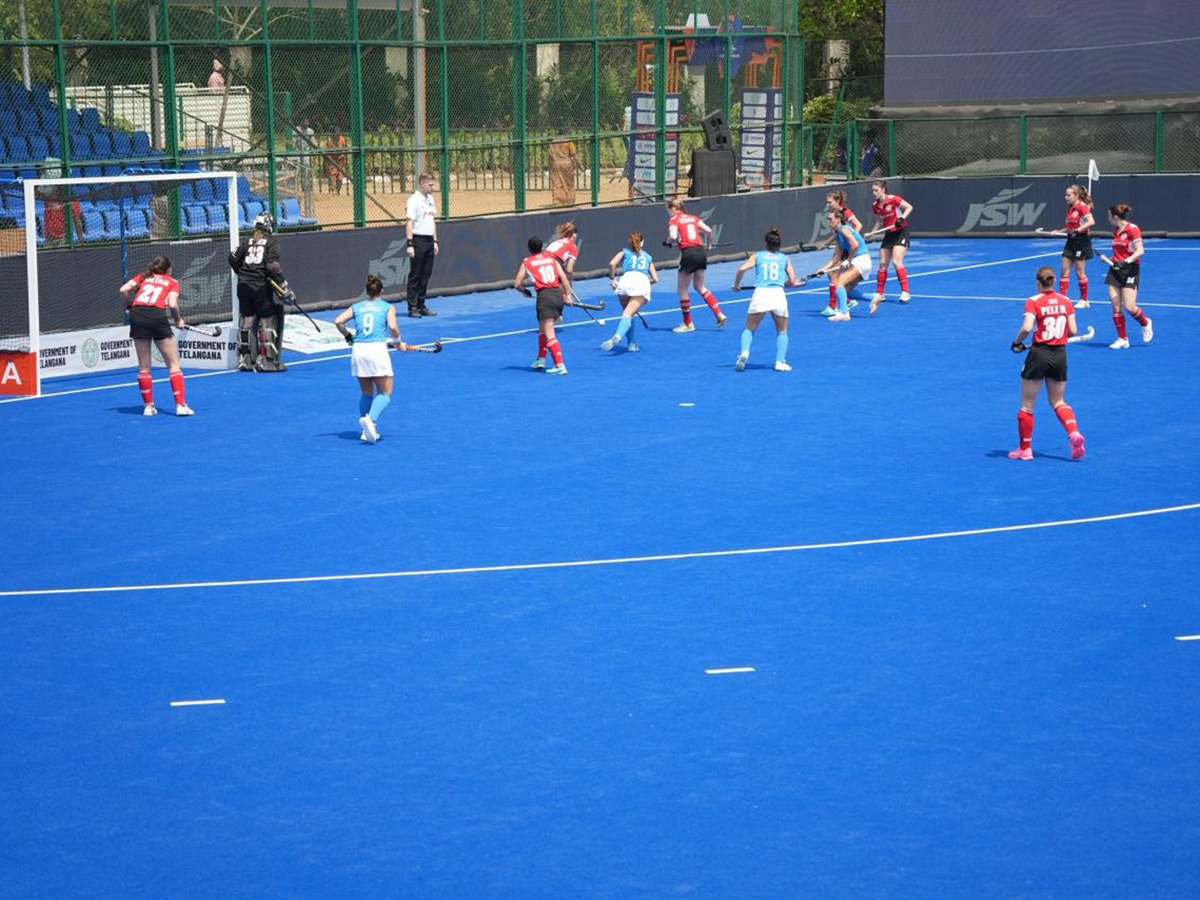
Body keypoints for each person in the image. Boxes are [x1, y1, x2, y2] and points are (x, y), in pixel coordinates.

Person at [1008, 266, 1086, 461]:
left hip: (1039, 354)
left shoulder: (1033, 301)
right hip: (1060, 354)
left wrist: (1017, 342)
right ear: (1053, 281)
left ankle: (1025, 449)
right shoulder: (1066, 301)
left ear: (1038, 282)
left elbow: (1027, 327)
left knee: (1027, 405)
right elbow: (1073, 330)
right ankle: (1074, 433)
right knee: (1058, 401)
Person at [118, 255, 193, 417]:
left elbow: (123, 290)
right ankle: (180, 405)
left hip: (137, 315)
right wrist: (178, 320)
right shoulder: (172, 282)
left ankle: (148, 407)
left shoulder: (143, 277)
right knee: (173, 364)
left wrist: (129, 305)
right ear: (167, 269)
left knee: (144, 367)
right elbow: (172, 304)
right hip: (157, 315)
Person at [334, 274, 402, 444]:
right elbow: (393, 327)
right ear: (382, 291)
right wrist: (398, 342)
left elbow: (338, 321)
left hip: (359, 350)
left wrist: (349, 337)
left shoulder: (357, 306)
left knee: (366, 392)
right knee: (386, 393)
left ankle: (366, 431)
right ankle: (370, 420)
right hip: (377, 350)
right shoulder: (388, 307)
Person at [731, 226, 800, 372]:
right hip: (778, 294)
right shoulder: (785, 258)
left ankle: (744, 352)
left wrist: (737, 285)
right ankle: (780, 361)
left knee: (750, 328)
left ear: (766, 242)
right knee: (782, 330)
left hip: (761, 294)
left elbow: (741, 269)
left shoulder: (758, 256)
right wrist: (784, 284)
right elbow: (792, 282)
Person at [229, 211, 291, 372]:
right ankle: (265, 359)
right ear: (269, 226)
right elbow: (273, 266)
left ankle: (245, 359)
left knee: (247, 322)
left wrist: (241, 272)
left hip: (243, 285)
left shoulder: (246, 241)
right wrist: (283, 284)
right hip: (260, 286)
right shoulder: (271, 242)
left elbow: (232, 258)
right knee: (266, 321)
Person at [513, 236, 574, 375]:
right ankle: (541, 359)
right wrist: (568, 296)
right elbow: (563, 278)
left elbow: (517, 284)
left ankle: (560, 365)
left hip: (544, 297)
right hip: (557, 295)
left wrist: (525, 291)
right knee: (542, 329)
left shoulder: (527, 262)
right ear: (542, 247)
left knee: (549, 332)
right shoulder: (551, 259)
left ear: (529, 249)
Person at [666, 198, 726, 332]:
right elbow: (709, 230)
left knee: (682, 289)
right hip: (700, 252)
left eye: (669, 211)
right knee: (700, 286)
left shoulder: (674, 220)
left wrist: (668, 241)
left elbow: (673, 235)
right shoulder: (693, 218)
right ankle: (719, 313)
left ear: (673, 209)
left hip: (689, 253)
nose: (669, 214)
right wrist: (709, 245)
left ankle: (688, 324)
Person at [1099, 203, 1152, 350]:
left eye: (1109, 216)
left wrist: (1126, 261)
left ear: (1115, 217)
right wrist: (1108, 259)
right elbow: (1119, 252)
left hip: (1130, 270)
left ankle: (1145, 322)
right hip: (1114, 270)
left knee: (1129, 307)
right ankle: (1122, 338)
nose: (1108, 218)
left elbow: (1140, 251)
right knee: (1115, 306)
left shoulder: (1132, 229)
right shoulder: (1116, 231)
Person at [601, 232, 658, 353]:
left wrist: (612, 280)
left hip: (625, 281)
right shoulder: (648, 257)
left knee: (627, 313)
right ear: (642, 242)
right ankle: (618, 335)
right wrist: (644, 282)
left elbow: (612, 264)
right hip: (641, 281)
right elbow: (655, 278)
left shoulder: (624, 251)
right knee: (628, 314)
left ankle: (631, 343)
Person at [813, 190, 864, 316]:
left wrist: (851, 238)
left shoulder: (846, 212)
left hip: (848, 249)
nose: (828, 204)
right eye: (827, 202)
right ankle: (843, 302)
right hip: (842, 247)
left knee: (833, 274)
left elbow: (858, 225)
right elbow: (837, 234)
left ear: (837, 201)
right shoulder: (833, 214)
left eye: (830, 202)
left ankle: (835, 305)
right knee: (832, 274)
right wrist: (825, 243)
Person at [868, 180, 914, 314]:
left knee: (896, 261)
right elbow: (880, 221)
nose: (874, 193)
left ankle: (905, 292)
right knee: (882, 264)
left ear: (883, 190)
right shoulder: (875, 206)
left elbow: (909, 207)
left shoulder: (893, 199)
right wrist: (872, 232)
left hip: (901, 232)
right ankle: (880, 293)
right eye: (872, 191)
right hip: (888, 234)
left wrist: (901, 219)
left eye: (876, 190)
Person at [819, 209, 873, 322]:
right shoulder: (837, 233)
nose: (829, 222)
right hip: (858, 260)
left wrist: (848, 260)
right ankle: (873, 297)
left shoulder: (844, 230)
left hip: (861, 260)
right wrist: (823, 269)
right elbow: (837, 256)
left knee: (839, 283)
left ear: (839, 219)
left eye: (831, 219)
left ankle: (844, 313)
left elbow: (855, 245)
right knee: (845, 290)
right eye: (828, 220)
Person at [405, 172, 439, 318]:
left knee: (426, 275)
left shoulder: (430, 199)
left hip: (429, 241)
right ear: (422, 184)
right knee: (415, 275)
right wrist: (410, 244)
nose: (433, 187)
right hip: (418, 241)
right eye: (430, 185)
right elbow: (409, 223)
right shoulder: (413, 200)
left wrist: (435, 240)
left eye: (433, 184)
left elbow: (432, 221)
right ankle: (412, 307)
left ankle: (421, 305)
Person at [1059, 184, 1096, 309]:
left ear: (1076, 195)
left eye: (1068, 195)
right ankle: (1063, 298)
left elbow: (1091, 222)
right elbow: (1071, 227)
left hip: (1081, 241)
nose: (1066, 197)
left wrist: (1078, 230)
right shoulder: (1070, 207)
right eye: (1066, 195)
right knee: (1064, 270)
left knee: (1079, 272)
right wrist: (1060, 231)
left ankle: (1084, 300)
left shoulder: (1083, 206)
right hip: (1071, 241)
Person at [548, 137, 580, 206]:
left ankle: (557, 201)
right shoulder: (568, 141)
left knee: (556, 184)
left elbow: (550, 155)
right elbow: (574, 154)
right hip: (566, 164)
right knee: (569, 184)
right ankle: (569, 201)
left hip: (555, 164)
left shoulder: (553, 142)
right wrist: (580, 165)